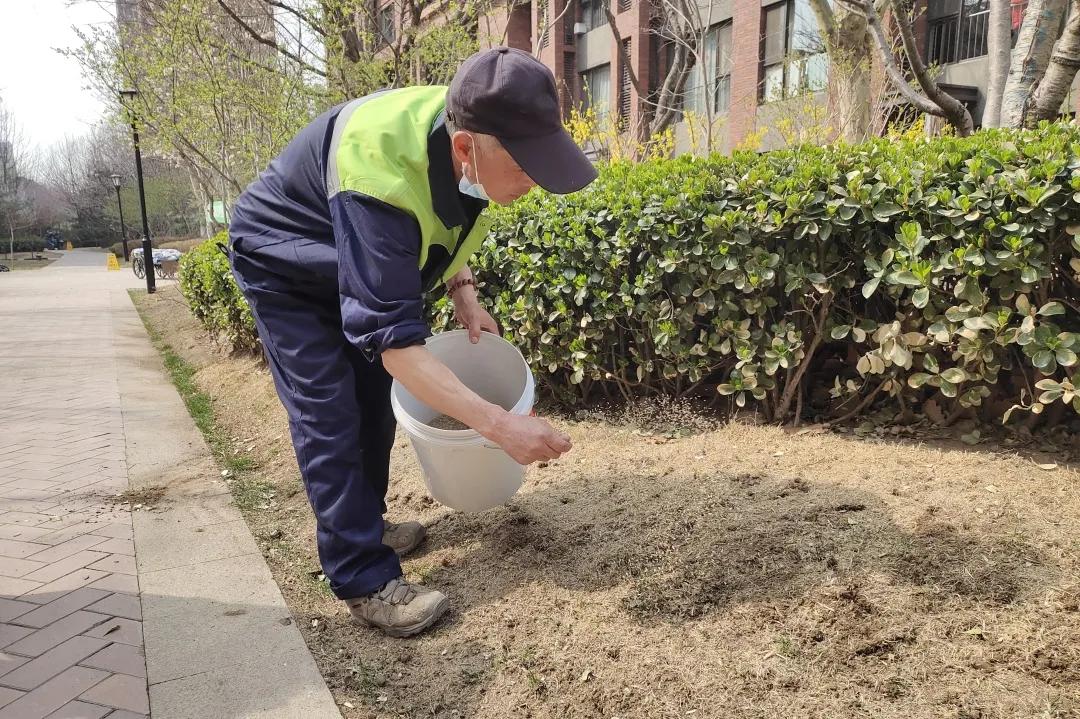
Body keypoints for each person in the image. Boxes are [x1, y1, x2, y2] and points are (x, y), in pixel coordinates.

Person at [227, 47, 597, 638]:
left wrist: (463, 290)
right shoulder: (379, 175)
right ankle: (362, 576)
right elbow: (398, 348)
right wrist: (499, 426)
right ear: (465, 148)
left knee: (374, 401)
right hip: (286, 264)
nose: (536, 180)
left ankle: (367, 523)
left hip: (349, 252)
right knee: (331, 413)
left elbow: (444, 218)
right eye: (526, 166)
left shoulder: (468, 125)